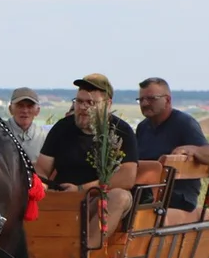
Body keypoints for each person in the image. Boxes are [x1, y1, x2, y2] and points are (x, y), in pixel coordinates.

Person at [35, 73, 137, 246]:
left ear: (107, 104)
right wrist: (43, 186)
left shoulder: (121, 132)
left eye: (91, 103)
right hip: (63, 196)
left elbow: (127, 178)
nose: (83, 107)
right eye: (79, 101)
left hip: (100, 197)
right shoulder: (62, 128)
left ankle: (86, 252)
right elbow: (42, 167)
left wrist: (82, 189)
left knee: (120, 196)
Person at [134, 77, 209, 220]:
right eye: (141, 100)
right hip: (147, 190)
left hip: (178, 196)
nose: (145, 103)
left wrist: (192, 149)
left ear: (167, 100)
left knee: (133, 196)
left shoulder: (184, 124)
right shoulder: (143, 128)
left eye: (151, 98)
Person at [5, 87, 46, 162]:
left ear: (37, 111)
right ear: (10, 109)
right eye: (20, 106)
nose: (25, 111)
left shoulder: (44, 137)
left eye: (30, 106)